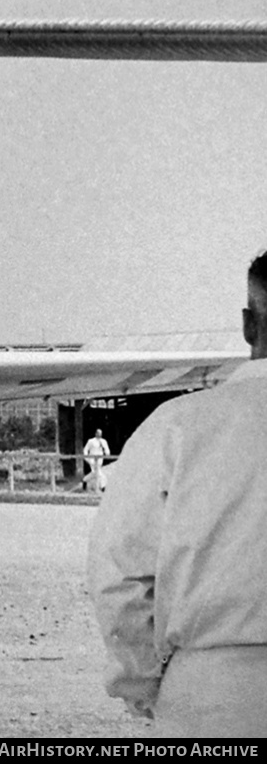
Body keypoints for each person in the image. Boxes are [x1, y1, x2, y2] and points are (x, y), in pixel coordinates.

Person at [88, 250, 267, 736]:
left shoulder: (175, 427)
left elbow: (120, 572)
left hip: (215, 692)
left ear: (249, 325)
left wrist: (139, 681)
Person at [82, 428, 111, 492]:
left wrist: (107, 454)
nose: (99, 434)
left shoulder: (103, 441)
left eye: (100, 433)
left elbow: (106, 449)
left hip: (100, 459)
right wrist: (87, 458)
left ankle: (84, 480)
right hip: (92, 459)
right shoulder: (91, 441)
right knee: (98, 472)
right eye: (98, 433)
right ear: (96, 433)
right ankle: (102, 487)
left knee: (94, 473)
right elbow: (85, 449)